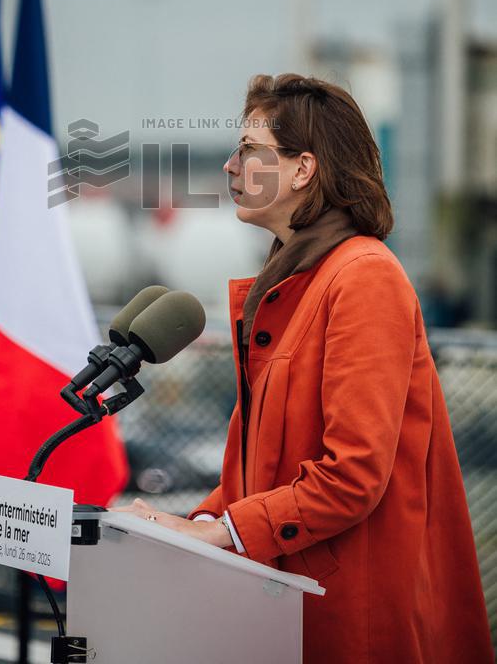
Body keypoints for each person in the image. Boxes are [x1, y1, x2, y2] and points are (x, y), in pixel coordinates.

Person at [114, 73, 493, 663]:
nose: (231, 167)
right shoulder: (293, 285)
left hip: (345, 622)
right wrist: (190, 521)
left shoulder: (364, 277)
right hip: (284, 605)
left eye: (250, 151)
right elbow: (259, 470)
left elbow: (353, 474)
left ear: (303, 169)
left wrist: (220, 531)